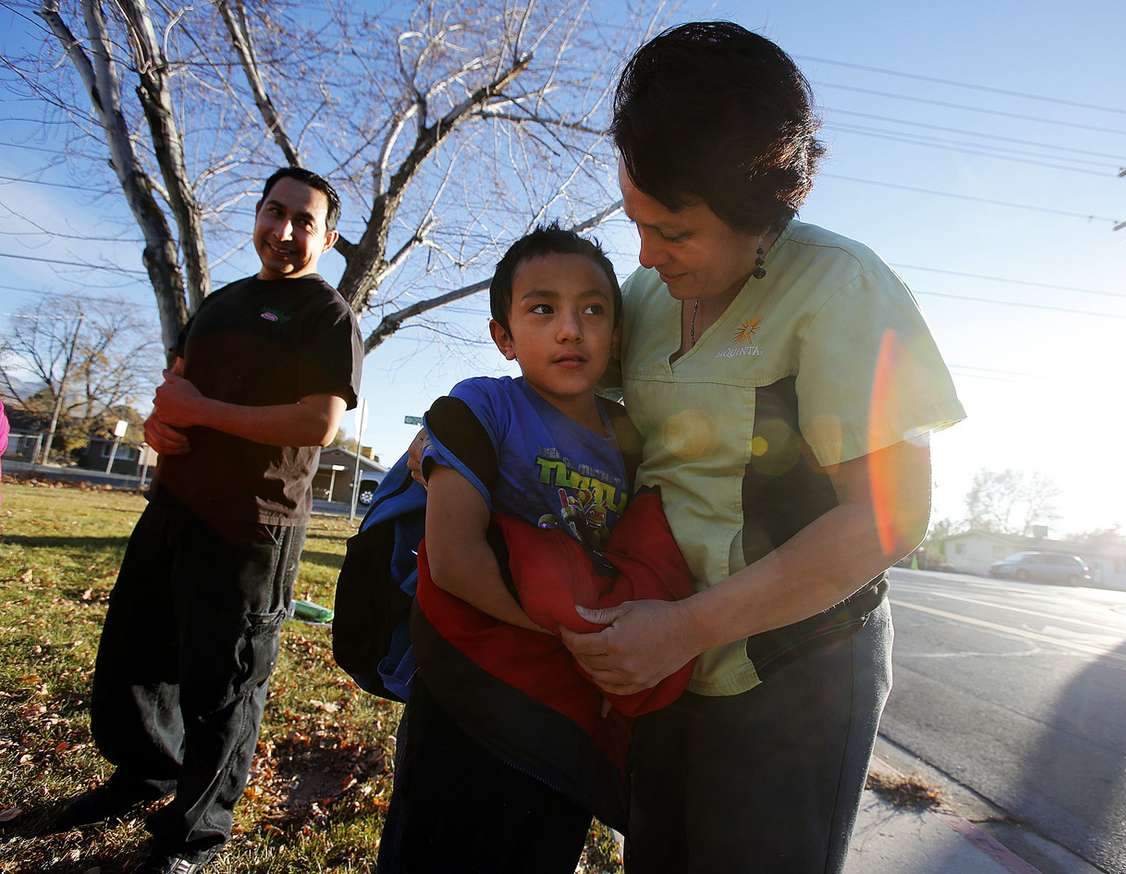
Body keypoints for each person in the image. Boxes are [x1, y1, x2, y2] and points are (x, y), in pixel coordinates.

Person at [549, 22, 967, 874]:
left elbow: (891, 519)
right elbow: (560, 393)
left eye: (673, 232)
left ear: (767, 216)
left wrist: (684, 628)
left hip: (795, 673)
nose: (644, 254)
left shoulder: (844, 288)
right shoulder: (647, 295)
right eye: (635, 221)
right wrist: (464, 436)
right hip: (664, 667)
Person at [54, 166, 362, 874]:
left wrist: (201, 412)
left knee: (224, 689)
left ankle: (194, 833)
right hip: (172, 510)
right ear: (256, 215)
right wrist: (162, 427)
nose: (283, 232)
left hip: (254, 526)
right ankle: (144, 774)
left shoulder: (327, 316)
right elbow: (175, 391)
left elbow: (319, 422)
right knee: (137, 659)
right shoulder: (219, 304)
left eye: (303, 222)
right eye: (273, 212)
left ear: (328, 237)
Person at [375, 224, 693, 874]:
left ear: (616, 333)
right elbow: (456, 560)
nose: (570, 329)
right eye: (543, 309)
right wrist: (577, 640)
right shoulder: (484, 405)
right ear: (504, 335)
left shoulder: (634, 440)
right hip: (470, 697)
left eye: (593, 310)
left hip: (566, 722)